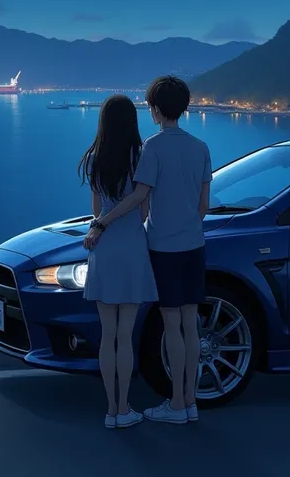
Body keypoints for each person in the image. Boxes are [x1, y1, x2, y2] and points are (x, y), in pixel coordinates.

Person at [84, 76, 212, 425]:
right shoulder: (200, 147)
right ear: (185, 107)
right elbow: (203, 207)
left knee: (163, 328)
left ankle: (145, 408)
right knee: (190, 325)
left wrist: (101, 223)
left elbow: (138, 199)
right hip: (193, 244)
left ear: (155, 109)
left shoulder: (152, 148)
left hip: (160, 247)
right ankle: (188, 403)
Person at [79, 94, 158, 430]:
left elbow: (97, 211)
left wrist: (100, 225)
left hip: (104, 249)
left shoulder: (95, 157)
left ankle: (111, 410)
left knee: (106, 333)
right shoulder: (139, 156)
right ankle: (124, 408)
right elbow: (143, 208)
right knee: (124, 335)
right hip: (131, 247)